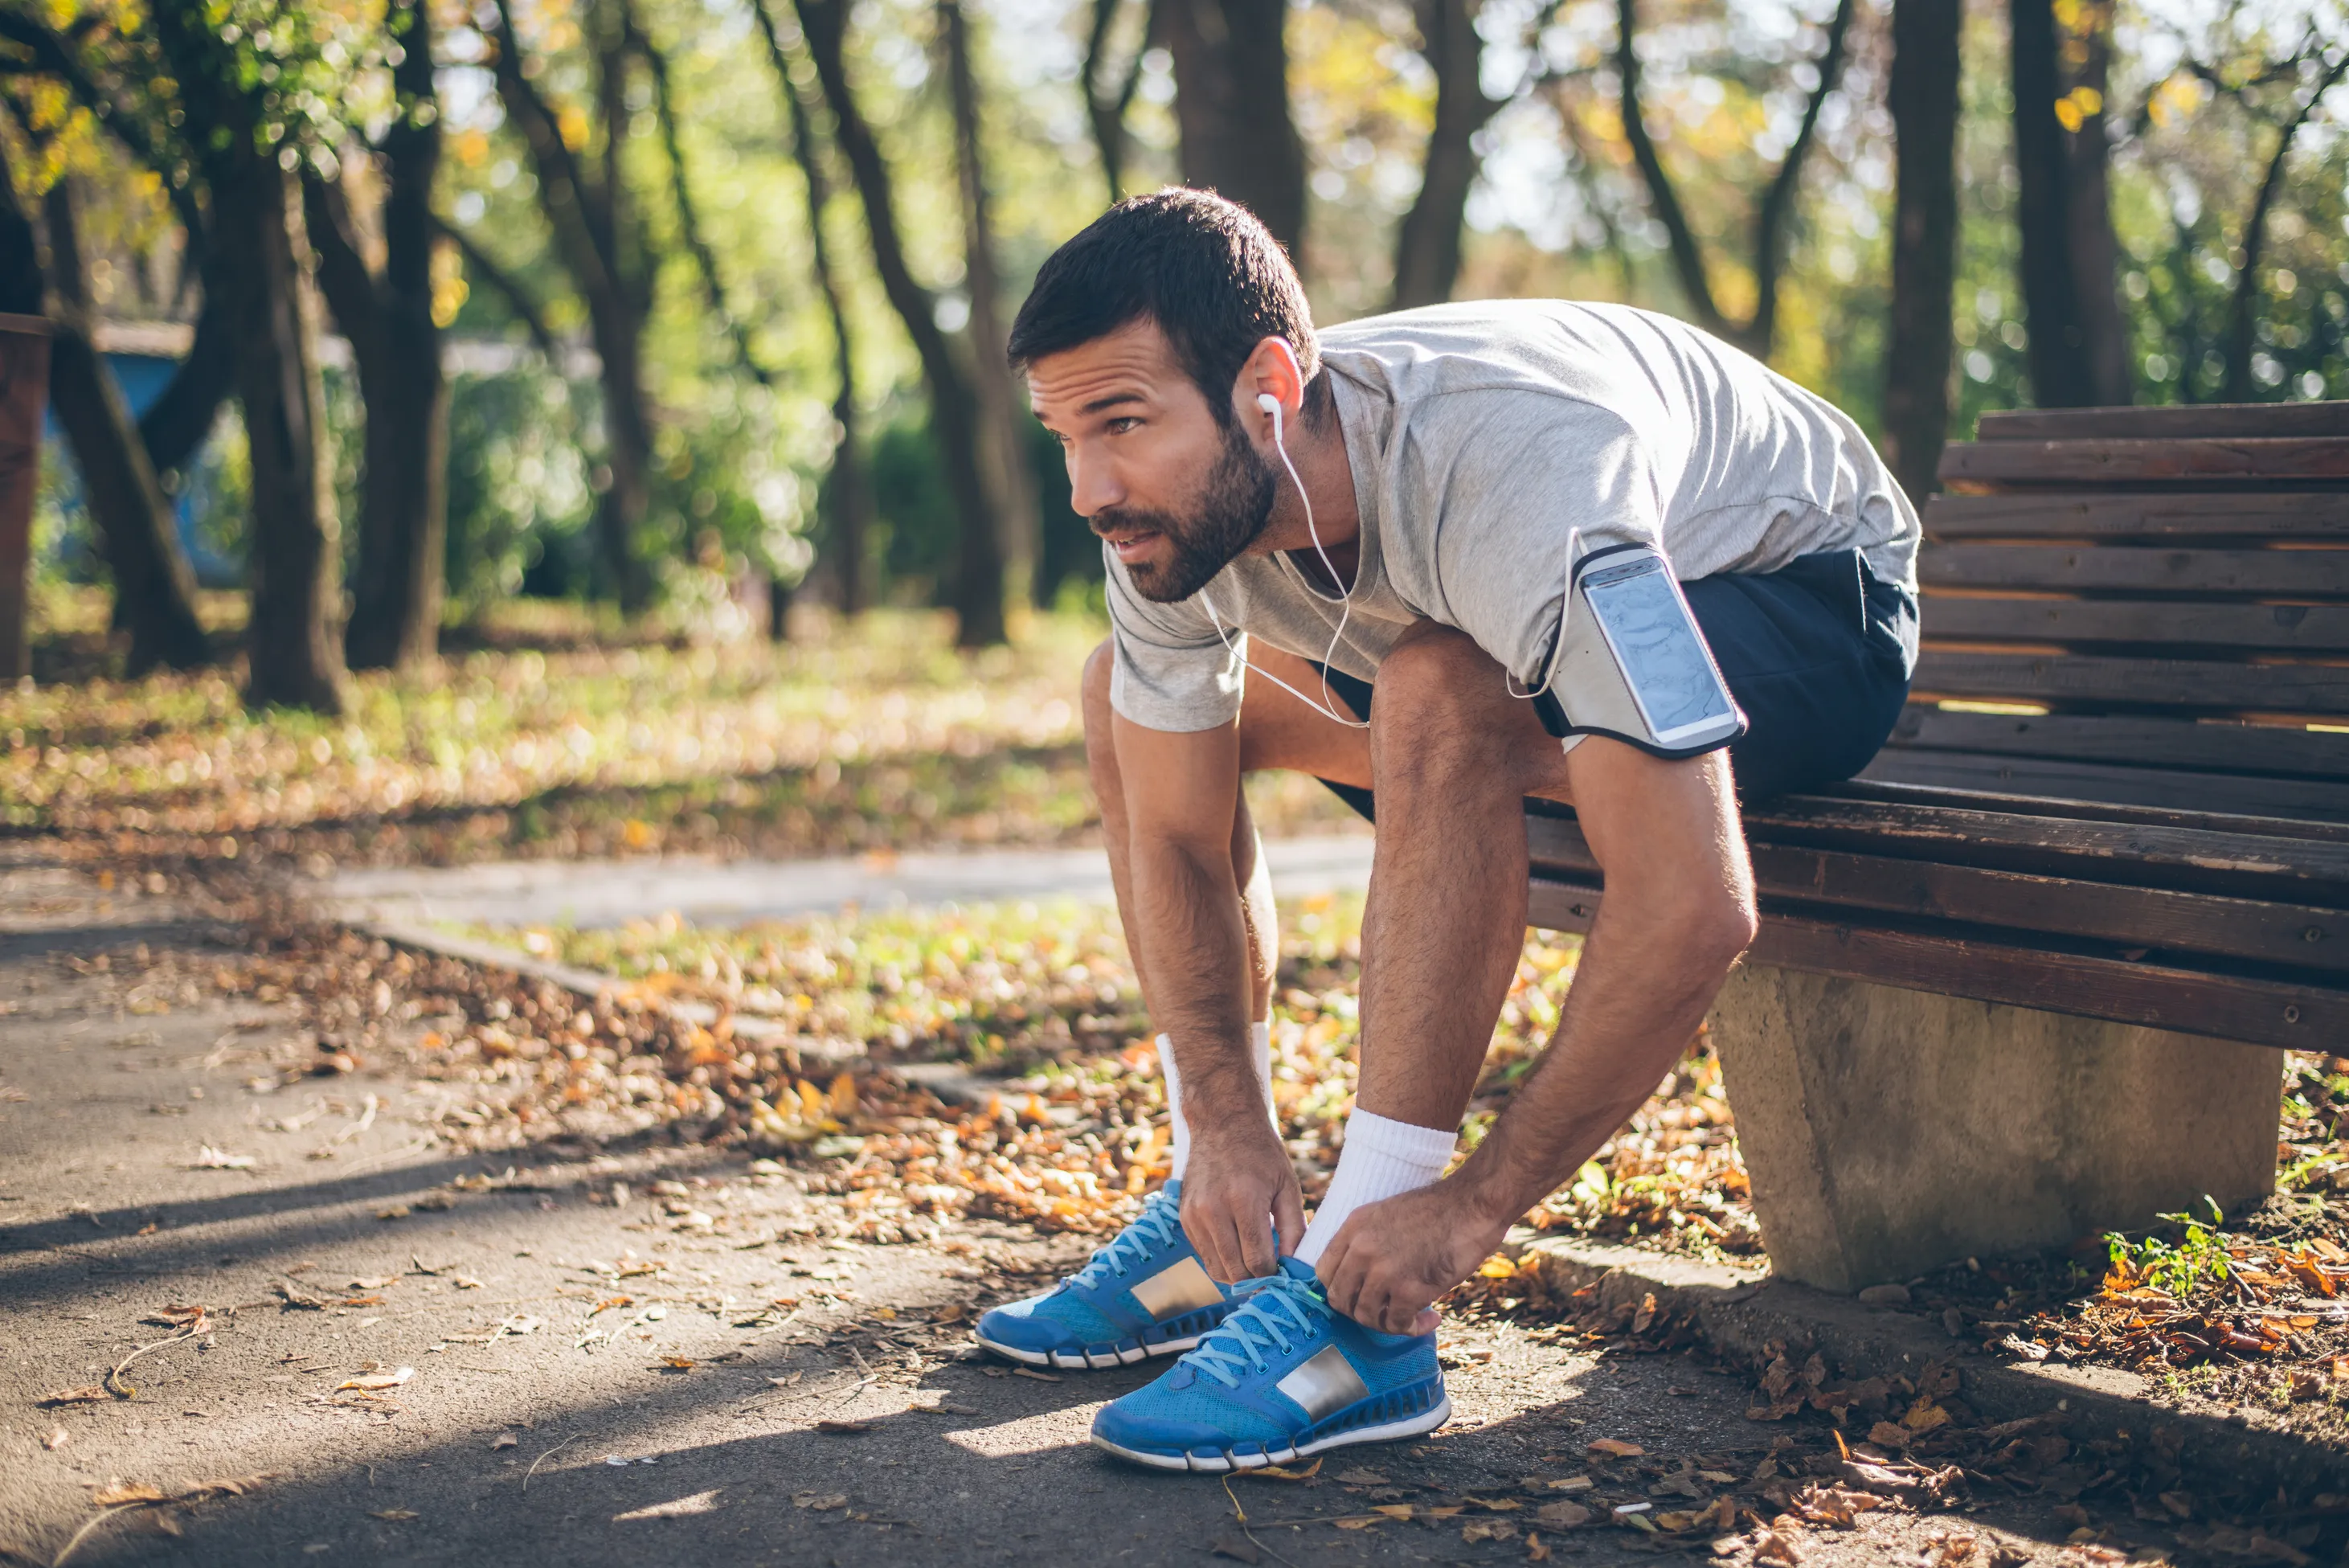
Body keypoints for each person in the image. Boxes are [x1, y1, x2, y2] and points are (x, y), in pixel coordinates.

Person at [973, 190, 1920, 1472]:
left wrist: (1471, 1205)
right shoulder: (1172, 515)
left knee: (1440, 692)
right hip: (1487, 617)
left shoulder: (1525, 477)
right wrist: (1229, 1118)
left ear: (1265, 388)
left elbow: (1694, 901)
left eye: (1122, 424)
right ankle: (1221, 1226)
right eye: (1065, 434)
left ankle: (1369, 1320)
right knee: (1129, 701)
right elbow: (1182, 840)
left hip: (1808, 604)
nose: (1089, 487)